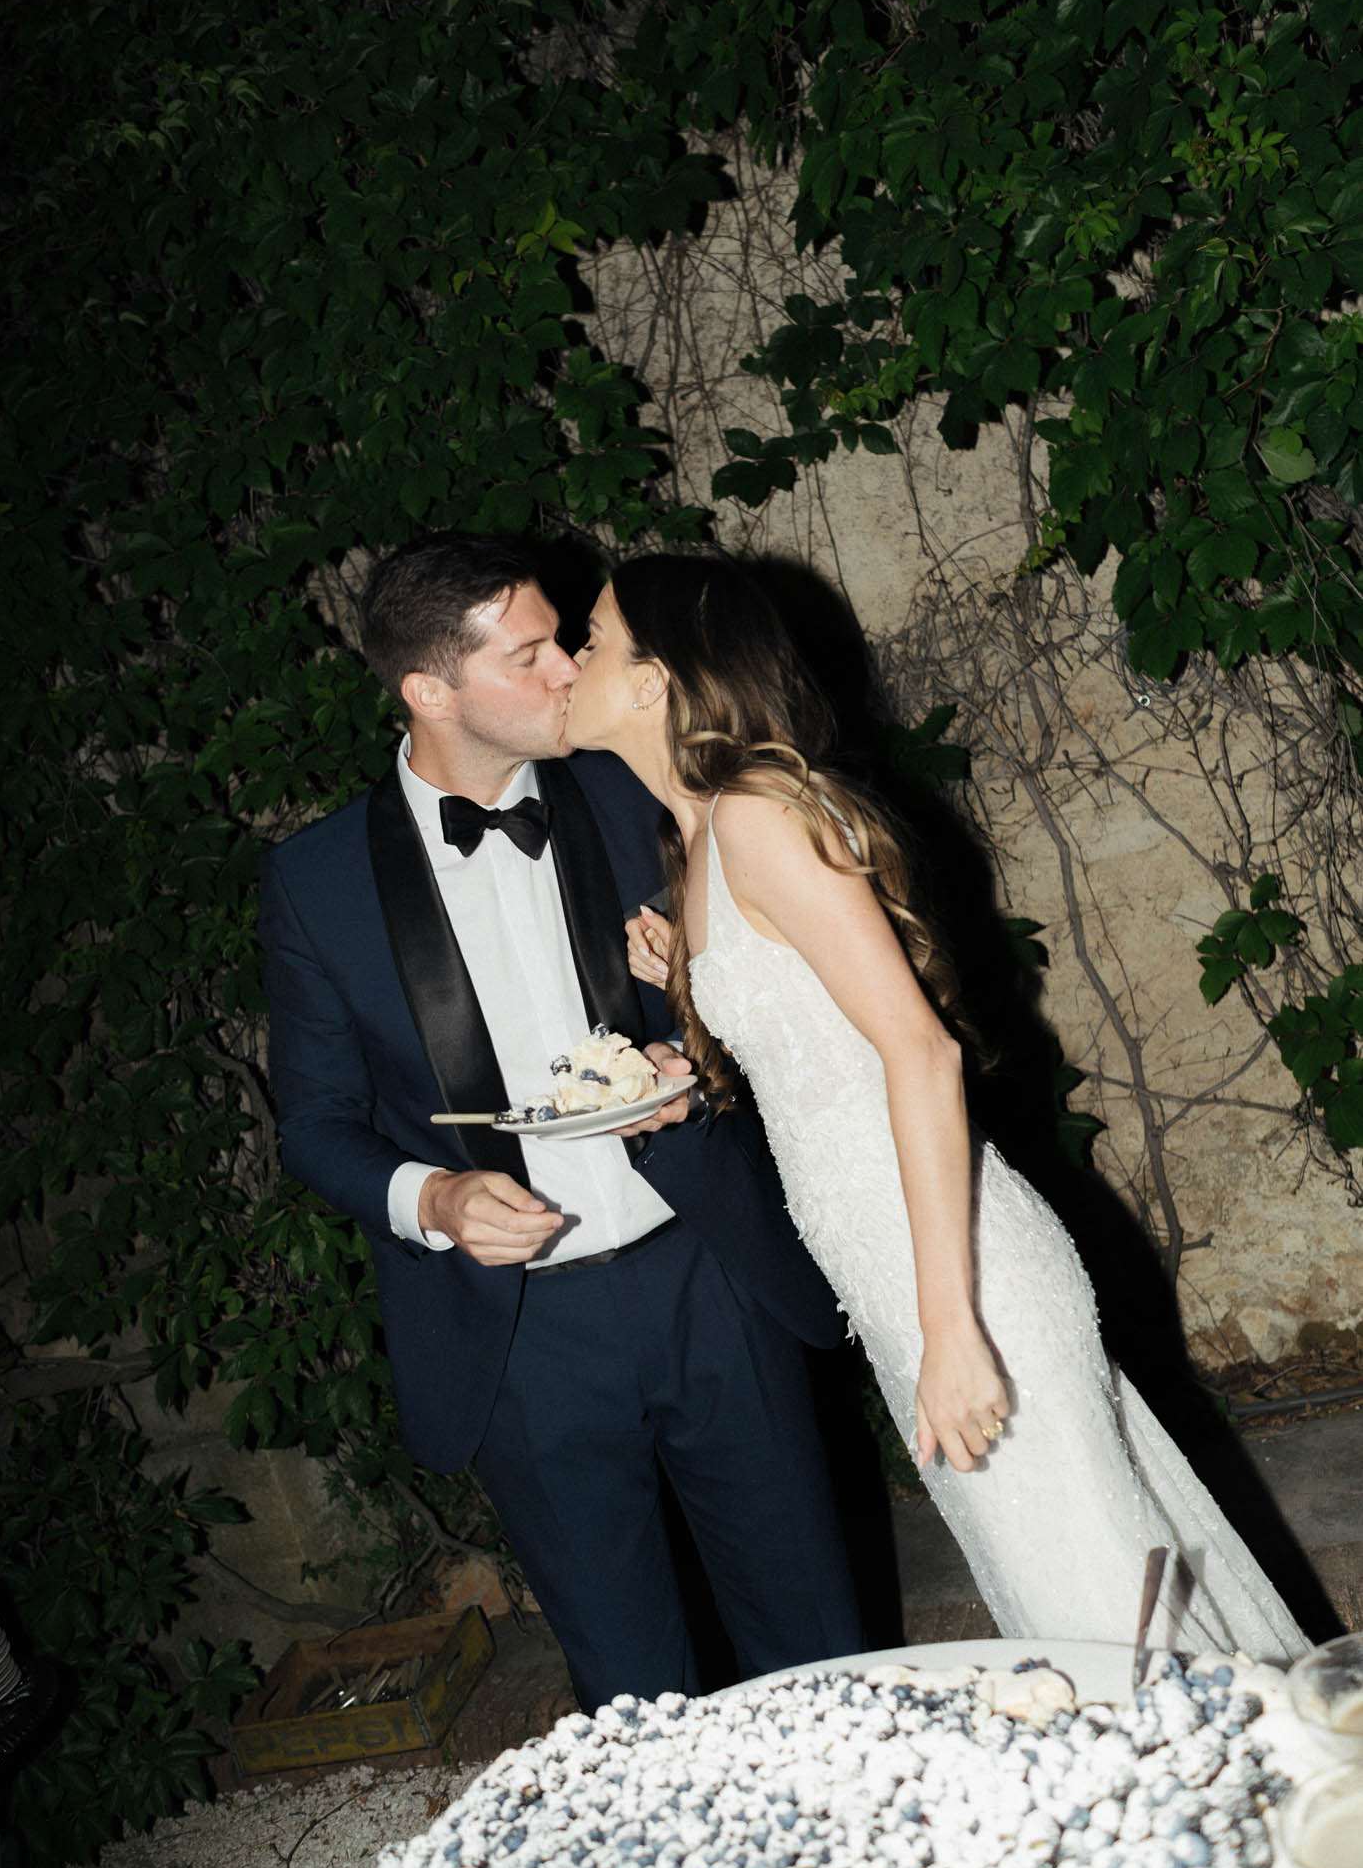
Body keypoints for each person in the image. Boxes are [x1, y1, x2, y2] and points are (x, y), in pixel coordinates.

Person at [565, 551, 1312, 1661]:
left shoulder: (761, 816)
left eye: (591, 637)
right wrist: (691, 983)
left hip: (965, 1280)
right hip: (904, 1287)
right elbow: (813, 1045)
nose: (572, 660)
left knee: (1111, 1631)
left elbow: (919, 1051)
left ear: (652, 680)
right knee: (1093, 1616)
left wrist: (955, 1330)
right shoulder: (704, 843)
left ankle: (1261, 1813)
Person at [258, 534, 865, 1712]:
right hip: (520, 1336)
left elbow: (788, 986)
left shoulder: (639, 781)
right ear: (430, 691)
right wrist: (429, 1199)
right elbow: (316, 1122)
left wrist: (704, 1050)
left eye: (564, 644)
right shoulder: (315, 880)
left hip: (710, 1269)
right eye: (531, 655)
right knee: (634, 1691)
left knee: (819, 1640)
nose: (565, 676)